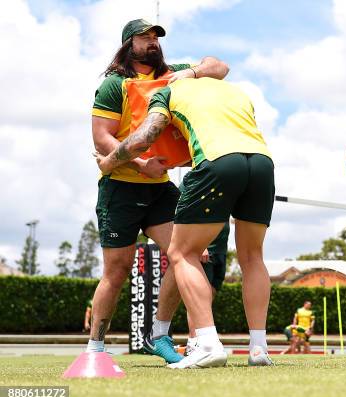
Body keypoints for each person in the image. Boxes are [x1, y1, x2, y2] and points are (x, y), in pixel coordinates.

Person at [95, 75, 275, 369]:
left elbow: (144, 137)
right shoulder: (235, 91)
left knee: (182, 253)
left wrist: (109, 162)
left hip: (218, 161)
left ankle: (206, 343)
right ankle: (258, 349)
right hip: (262, 163)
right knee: (253, 257)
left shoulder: (166, 92)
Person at [88, 18, 229, 364]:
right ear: (128, 44)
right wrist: (140, 165)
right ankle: (95, 350)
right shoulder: (114, 85)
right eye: (144, 37)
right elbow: (101, 138)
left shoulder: (174, 74)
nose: (152, 42)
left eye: (155, 37)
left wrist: (193, 74)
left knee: (190, 254)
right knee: (116, 270)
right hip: (120, 187)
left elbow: (220, 67)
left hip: (160, 190)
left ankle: (159, 334)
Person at [184, 222, 230, 356]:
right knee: (198, 299)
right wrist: (200, 246)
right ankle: (193, 343)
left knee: (210, 296)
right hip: (205, 251)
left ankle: (202, 340)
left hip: (221, 251)